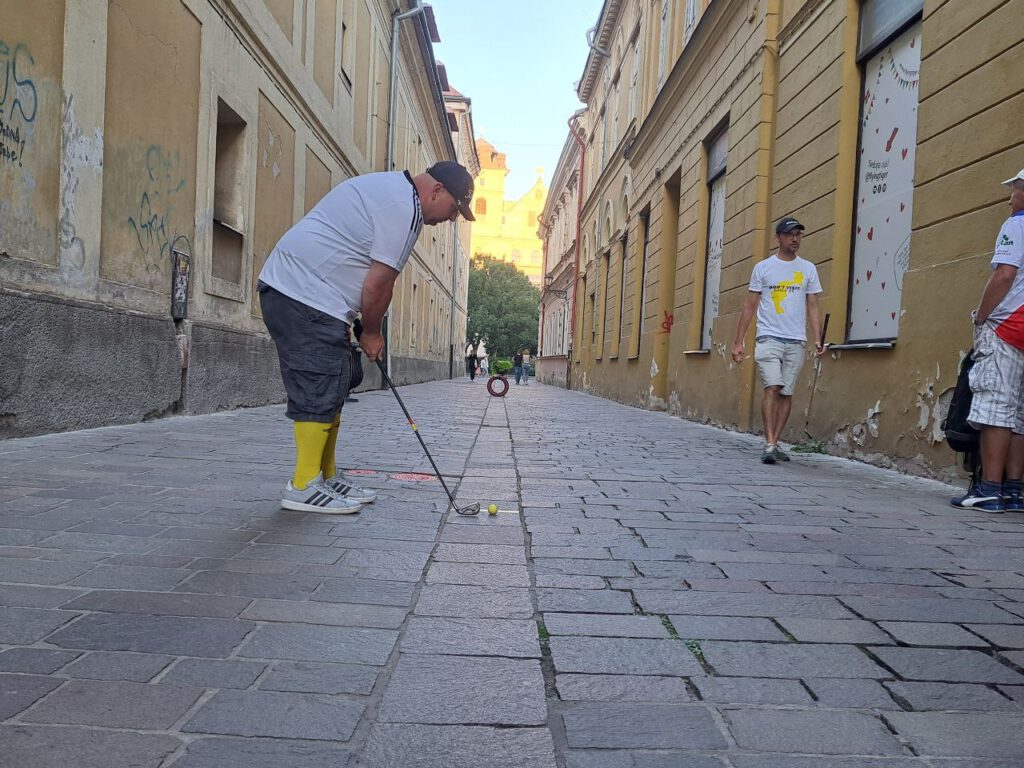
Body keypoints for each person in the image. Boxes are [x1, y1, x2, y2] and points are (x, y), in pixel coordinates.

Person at [258, 160, 475, 513]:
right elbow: (378, 285)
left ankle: (323, 476)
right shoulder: (404, 207)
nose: (451, 219)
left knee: (334, 385)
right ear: (437, 190)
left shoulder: (397, 195)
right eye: (454, 209)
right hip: (301, 294)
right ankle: (302, 485)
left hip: (313, 297)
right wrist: (372, 332)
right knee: (318, 385)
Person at [952, 168, 1024, 514]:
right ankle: (1014, 490)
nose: (1010, 196)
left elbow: (1004, 274)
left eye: (1014, 189)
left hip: (1008, 327)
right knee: (1020, 415)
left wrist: (981, 317)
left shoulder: (1016, 224)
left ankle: (989, 489)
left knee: (996, 409)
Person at [732, 217, 825, 464]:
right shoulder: (763, 268)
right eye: (790, 234)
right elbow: (749, 305)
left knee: (786, 392)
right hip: (768, 337)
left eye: (799, 235)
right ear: (778, 238)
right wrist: (739, 341)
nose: (795, 239)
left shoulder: (808, 269)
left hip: (796, 339)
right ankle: (770, 443)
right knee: (772, 386)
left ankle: (775, 441)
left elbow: (813, 306)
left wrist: (818, 339)